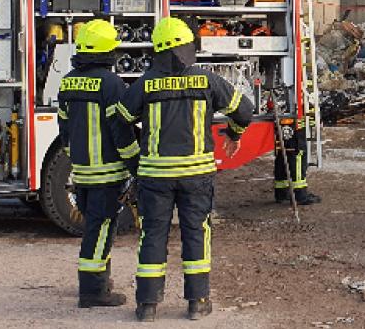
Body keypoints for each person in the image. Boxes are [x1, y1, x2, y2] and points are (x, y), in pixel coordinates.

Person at [115, 17, 254, 322]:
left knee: (152, 235)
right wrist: (234, 134)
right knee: (196, 233)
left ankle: (148, 306)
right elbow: (244, 110)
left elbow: (119, 120)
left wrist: (134, 160)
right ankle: (198, 302)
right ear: (187, 47)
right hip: (196, 176)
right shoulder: (207, 80)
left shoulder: (145, 83)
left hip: (154, 177)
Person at [57, 19, 137, 308]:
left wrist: (75, 158)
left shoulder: (67, 80)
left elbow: (63, 128)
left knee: (95, 225)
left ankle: (101, 278)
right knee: (101, 228)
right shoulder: (112, 84)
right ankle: (92, 291)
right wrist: (135, 163)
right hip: (107, 173)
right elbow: (121, 130)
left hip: (81, 171)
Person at [274, 124, 321, 205]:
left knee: (282, 154)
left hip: (283, 124)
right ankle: (300, 195)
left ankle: (282, 193)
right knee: (298, 155)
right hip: (296, 123)